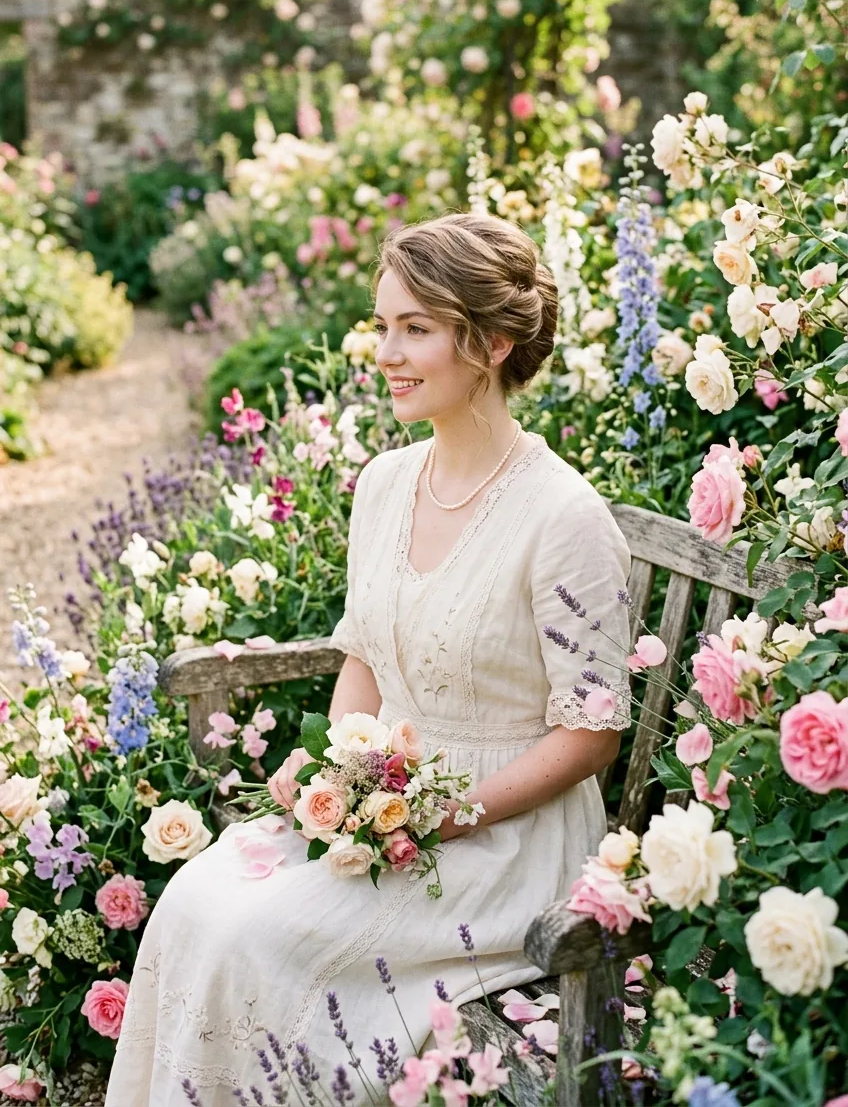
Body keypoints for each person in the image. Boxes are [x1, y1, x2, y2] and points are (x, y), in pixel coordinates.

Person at [106, 212, 632, 1105]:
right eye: (382, 324)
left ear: (494, 342)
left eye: (415, 328)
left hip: (504, 842)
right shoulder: (387, 484)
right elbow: (367, 660)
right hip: (385, 805)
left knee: (255, 938)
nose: (385, 351)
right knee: (196, 901)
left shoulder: (565, 520)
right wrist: (327, 770)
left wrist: (447, 815)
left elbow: (591, 738)